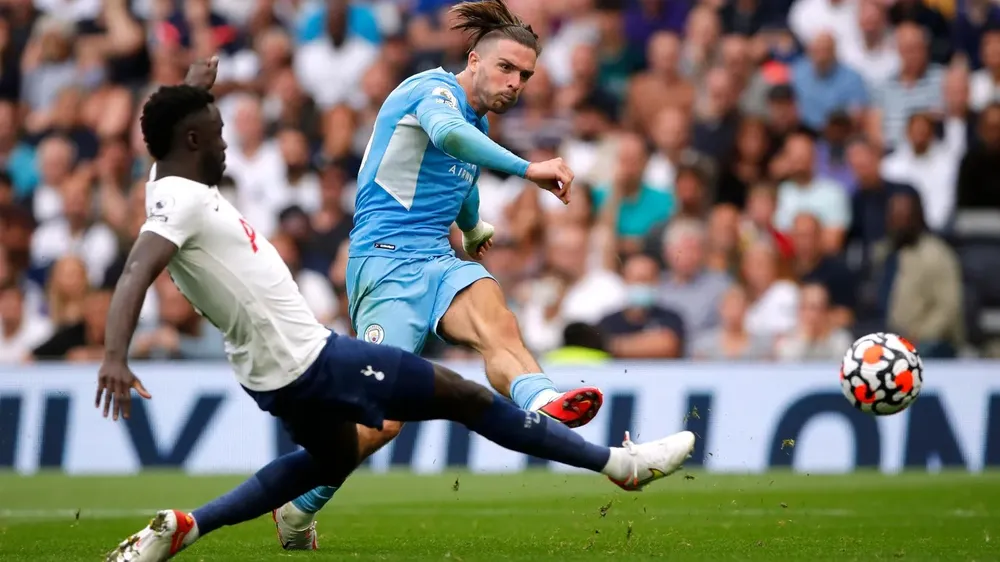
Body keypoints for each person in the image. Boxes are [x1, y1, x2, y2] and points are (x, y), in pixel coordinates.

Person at [99, 83, 696, 562]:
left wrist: (193, 90)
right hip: (313, 358)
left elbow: (174, 147)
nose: (228, 146)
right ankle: (622, 467)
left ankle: (188, 527)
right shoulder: (180, 202)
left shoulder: (164, 181)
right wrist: (113, 356)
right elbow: (134, 273)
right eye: (218, 134)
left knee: (329, 461)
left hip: (269, 376)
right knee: (465, 397)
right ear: (194, 139)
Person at [276, 0, 607, 547]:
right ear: (473, 59)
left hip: (438, 259)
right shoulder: (430, 92)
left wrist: (473, 228)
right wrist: (529, 169)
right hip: (384, 264)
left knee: (495, 318)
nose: (515, 83)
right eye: (506, 68)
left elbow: (460, 172)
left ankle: (542, 401)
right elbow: (452, 140)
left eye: (525, 75)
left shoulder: (475, 117)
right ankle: (296, 505)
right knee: (382, 420)